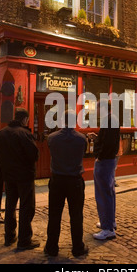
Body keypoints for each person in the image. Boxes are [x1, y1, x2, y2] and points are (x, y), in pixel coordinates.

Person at [44, 110, 89, 257]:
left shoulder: (52, 138)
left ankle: (51, 248)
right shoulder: (82, 139)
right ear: (75, 120)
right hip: (74, 181)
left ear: (62, 121)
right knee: (76, 215)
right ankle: (77, 248)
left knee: (54, 215)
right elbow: (83, 153)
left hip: (57, 180)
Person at [0, 109, 39, 251]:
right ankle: (24, 240)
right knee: (27, 207)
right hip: (24, 176)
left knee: (10, 205)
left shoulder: (1, 133)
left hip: (8, 175)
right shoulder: (24, 134)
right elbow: (33, 154)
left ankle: (9, 236)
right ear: (25, 119)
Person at [88, 99, 120, 241]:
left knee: (103, 194)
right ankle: (110, 222)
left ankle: (107, 229)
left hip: (105, 161)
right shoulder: (111, 119)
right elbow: (107, 140)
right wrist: (97, 138)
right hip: (109, 160)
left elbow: (108, 143)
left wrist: (99, 157)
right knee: (109, 192)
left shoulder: (109, 120)